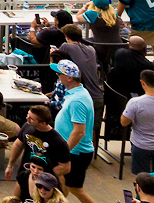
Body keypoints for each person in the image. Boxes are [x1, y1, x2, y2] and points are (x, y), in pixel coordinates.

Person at [52, 61, 96, 203]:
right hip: (73, 151)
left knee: (75, 188)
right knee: (62, 185)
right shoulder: (74, 92)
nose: (57, 75)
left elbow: (79, 132)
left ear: (69, 77)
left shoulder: (78, 100)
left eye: (59, 74)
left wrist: (64, 152)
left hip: (76, 153)